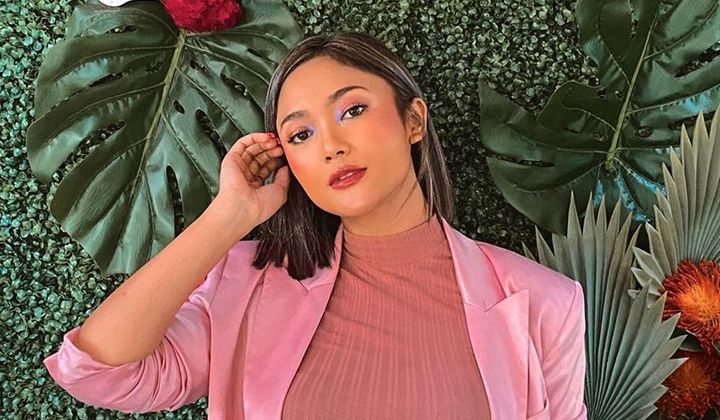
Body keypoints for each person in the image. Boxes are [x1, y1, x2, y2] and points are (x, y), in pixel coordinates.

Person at [43, 32, 587, 419]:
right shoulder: (246, 287)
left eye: (352, 111)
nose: (331, 145)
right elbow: (98, 370)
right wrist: (227, 217)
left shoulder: (544, 302)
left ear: (413, 120)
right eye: (300, 135)